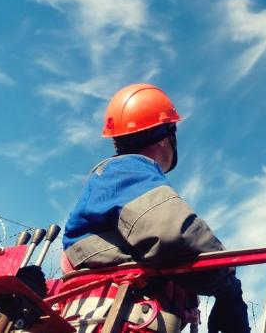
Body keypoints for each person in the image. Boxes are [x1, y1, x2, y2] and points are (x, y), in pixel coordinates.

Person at [62, 83, 250, 333]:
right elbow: (175, 233)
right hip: (116, 321)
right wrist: (228, 287)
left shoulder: (115, 178)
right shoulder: (127, 170)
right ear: (165, 136)